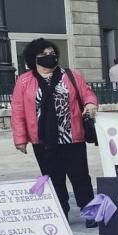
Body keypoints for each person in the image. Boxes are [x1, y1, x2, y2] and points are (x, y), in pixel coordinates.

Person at [11, 38, 98, 218]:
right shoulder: (24, 81)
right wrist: (20, 139)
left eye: (52, 53)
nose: (49, 57)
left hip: (72, 137)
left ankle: (90, 212)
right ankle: (61, 214)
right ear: (33, 58)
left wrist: (90, 104)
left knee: (80, 177)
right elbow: (18, 111)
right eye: (44, 54)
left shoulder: (72, 75)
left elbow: (87, 93)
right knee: (53, 179)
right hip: (42, 140)